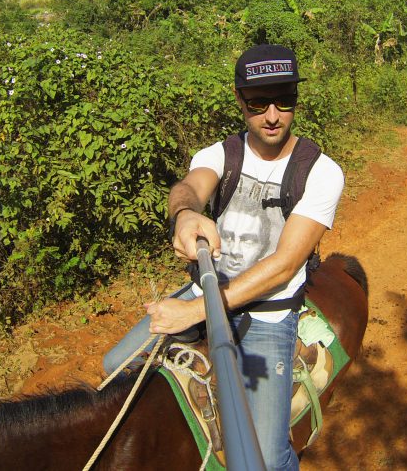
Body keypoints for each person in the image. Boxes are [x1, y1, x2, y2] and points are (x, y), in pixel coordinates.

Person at [103, 44, 345, 471]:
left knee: (265, 459)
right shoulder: (221, 154)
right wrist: (185, 214)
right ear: (239, 100)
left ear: (295, 100)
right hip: (206, 288)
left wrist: (192, 311)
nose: (272, 115)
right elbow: (189, 187)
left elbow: (286, 266)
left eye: (284, 100)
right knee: (113, 366)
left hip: (269, 314)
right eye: (258, 103)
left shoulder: (322, 171)